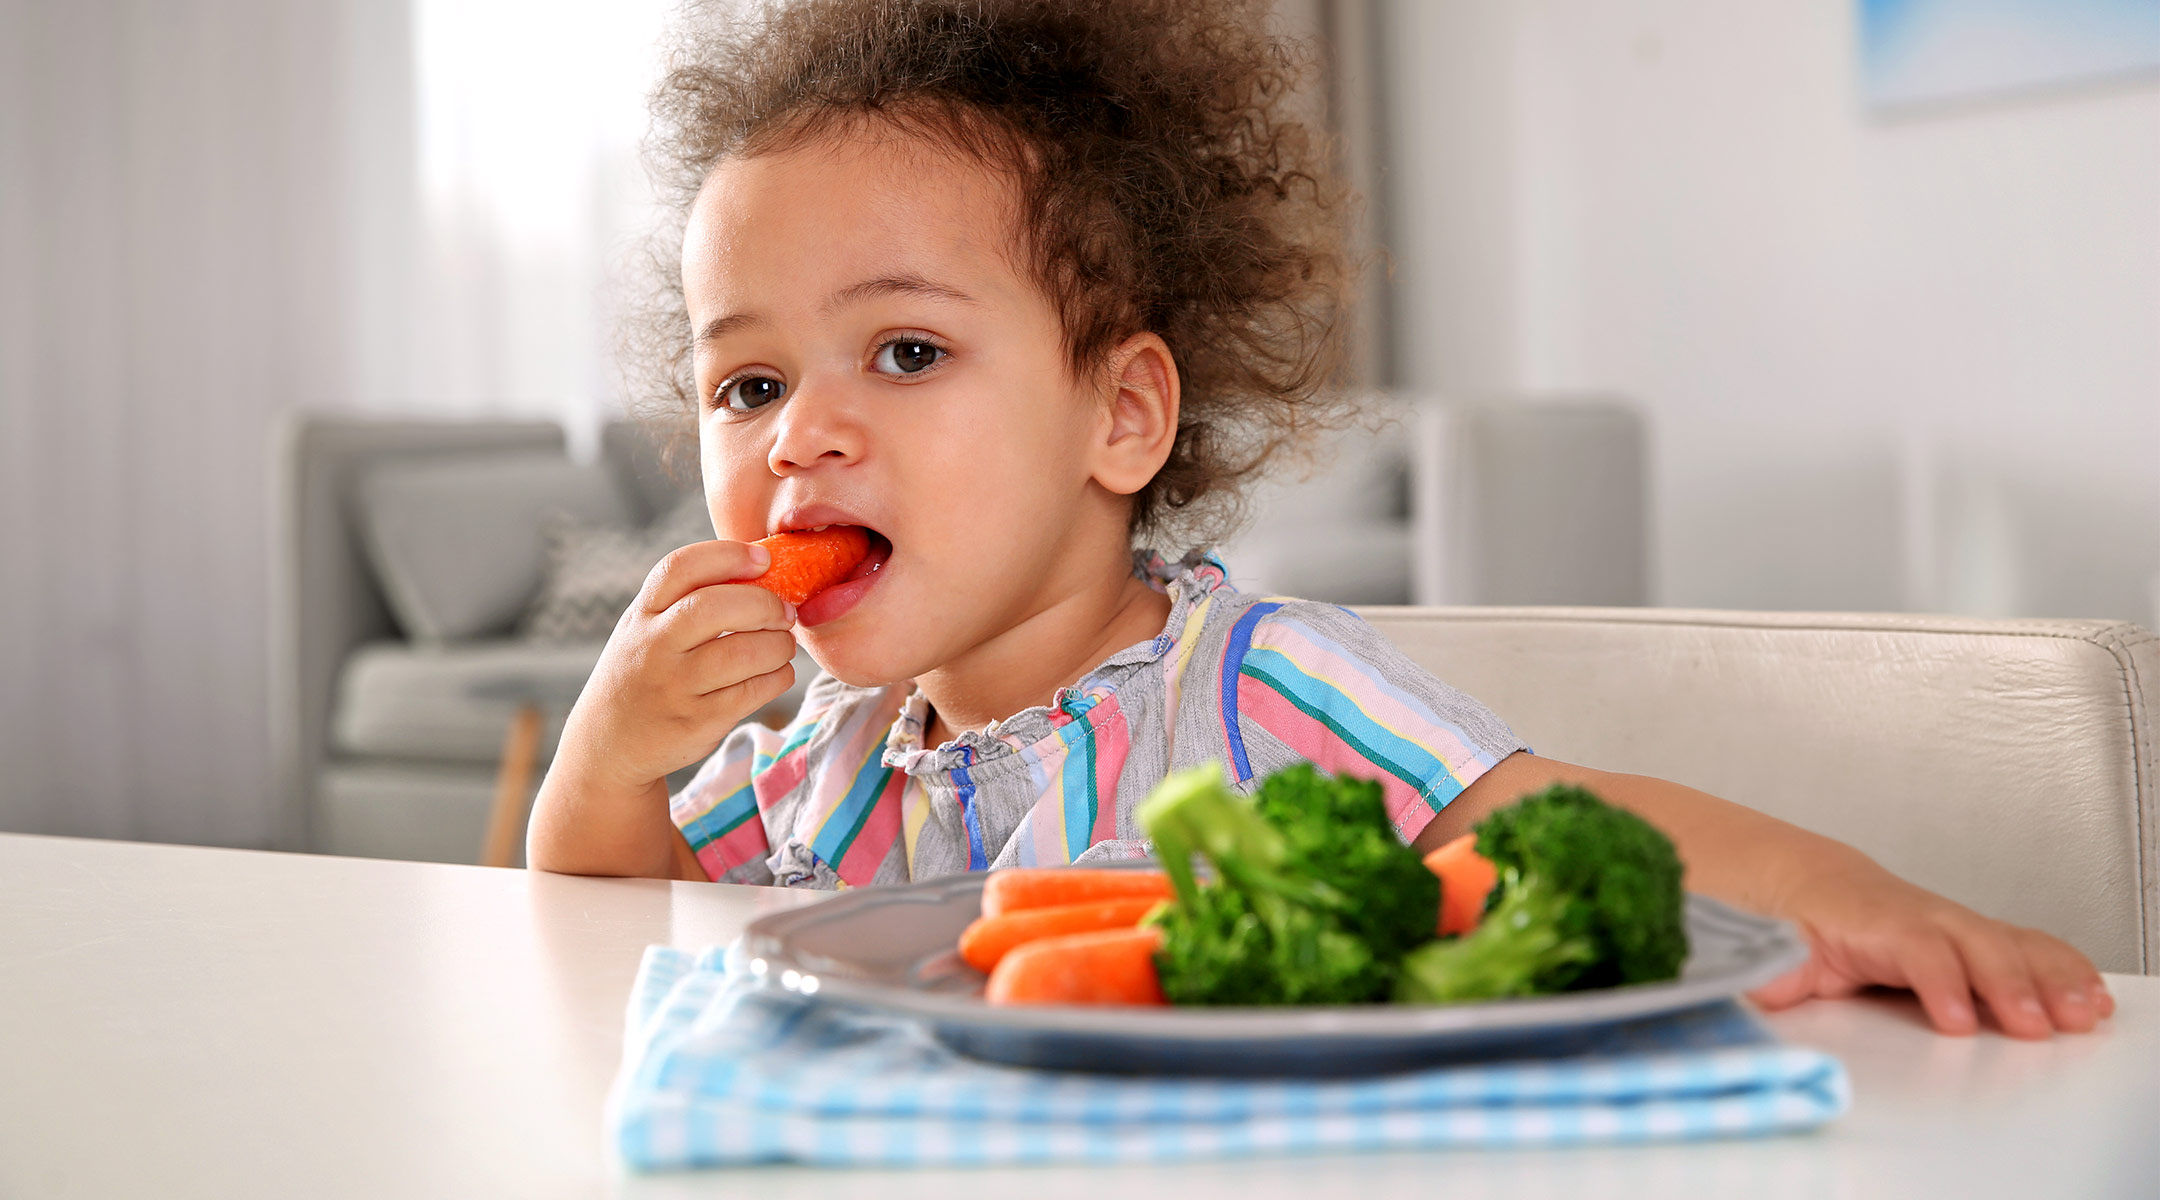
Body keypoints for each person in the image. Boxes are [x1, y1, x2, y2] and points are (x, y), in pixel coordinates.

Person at [527, 0, 2112, 1038]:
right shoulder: (822, 746)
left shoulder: (1254, 687)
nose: (802, 432)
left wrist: (1854, 893)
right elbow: (595, 942)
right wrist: (607, 755)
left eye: (909, 352)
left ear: (1120, 416)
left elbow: (1554, 824)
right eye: (746, 387)